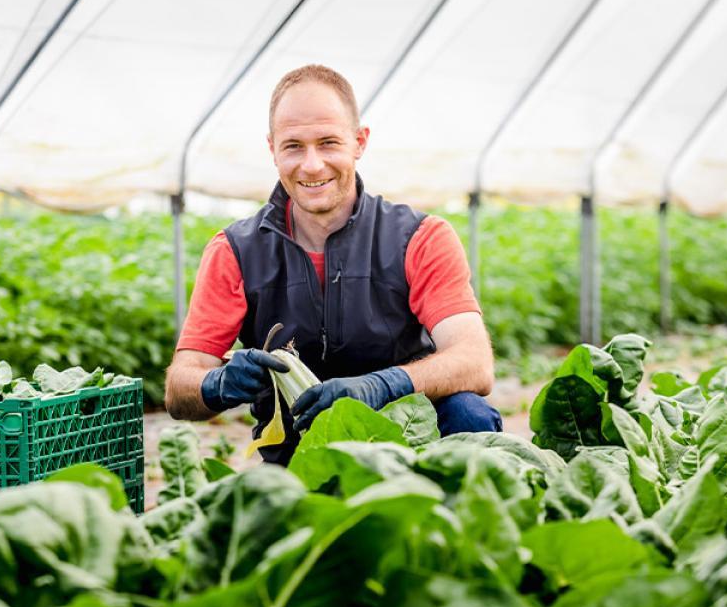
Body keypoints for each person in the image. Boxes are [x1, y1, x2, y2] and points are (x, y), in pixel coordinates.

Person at [164, 64, 501, 465]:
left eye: (328, 143)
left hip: (410, 441)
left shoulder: (420, 238)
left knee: (468, 413)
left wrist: (380, 386)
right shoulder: (235, 251)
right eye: (293, 146)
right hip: (301, 451)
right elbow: (178, 388)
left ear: (359, 142)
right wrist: (217, 383)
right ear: (272, 149)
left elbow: (474, 361)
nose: (311, 165)